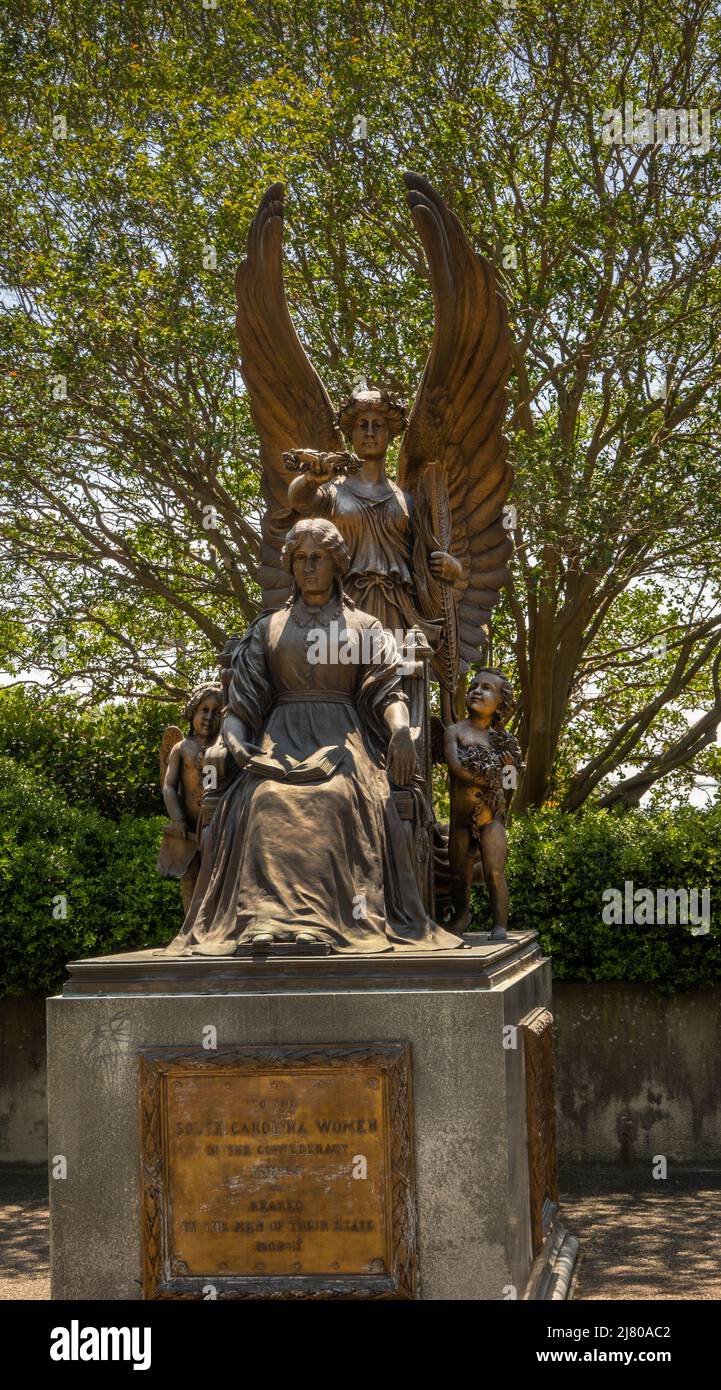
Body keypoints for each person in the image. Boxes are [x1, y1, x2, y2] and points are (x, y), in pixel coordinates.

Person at [167, 519, 462, 955]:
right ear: (290, 564)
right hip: (278, 744)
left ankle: (324, 922)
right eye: (300, 558)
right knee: (265, 800)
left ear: (336, 565)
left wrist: (401, 729)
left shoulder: (364, 627)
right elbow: (240, 709)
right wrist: (234, 744)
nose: (309, 567)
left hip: (343, 742)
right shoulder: (268, 628)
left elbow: (386, 692)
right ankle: (262, 920)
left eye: (318, 558)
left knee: (335, 798)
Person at [443, 669, 524, 938]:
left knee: (495, 873)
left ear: (501, 702)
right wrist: (491, 775)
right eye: (475, 686)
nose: (477, 690)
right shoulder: (455, 732)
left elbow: (510, 784)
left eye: (487, 688)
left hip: (492, 820)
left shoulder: (505, 741)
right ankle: (461, 915)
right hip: (461, 822)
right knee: (459, 877)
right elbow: (456, 767)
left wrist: (508, 770)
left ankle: (500, 923)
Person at [157, 684, 223, 911]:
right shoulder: (181, 748)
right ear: (192, 712)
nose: (209, 717)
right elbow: (169, 786)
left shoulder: (222, 749)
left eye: (216, 712)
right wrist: (178, 819)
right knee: (190, 878)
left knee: (217, 879)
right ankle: (189, 930)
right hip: (188, 830)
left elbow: (218, 786)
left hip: (216, 827)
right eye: (204, 710)